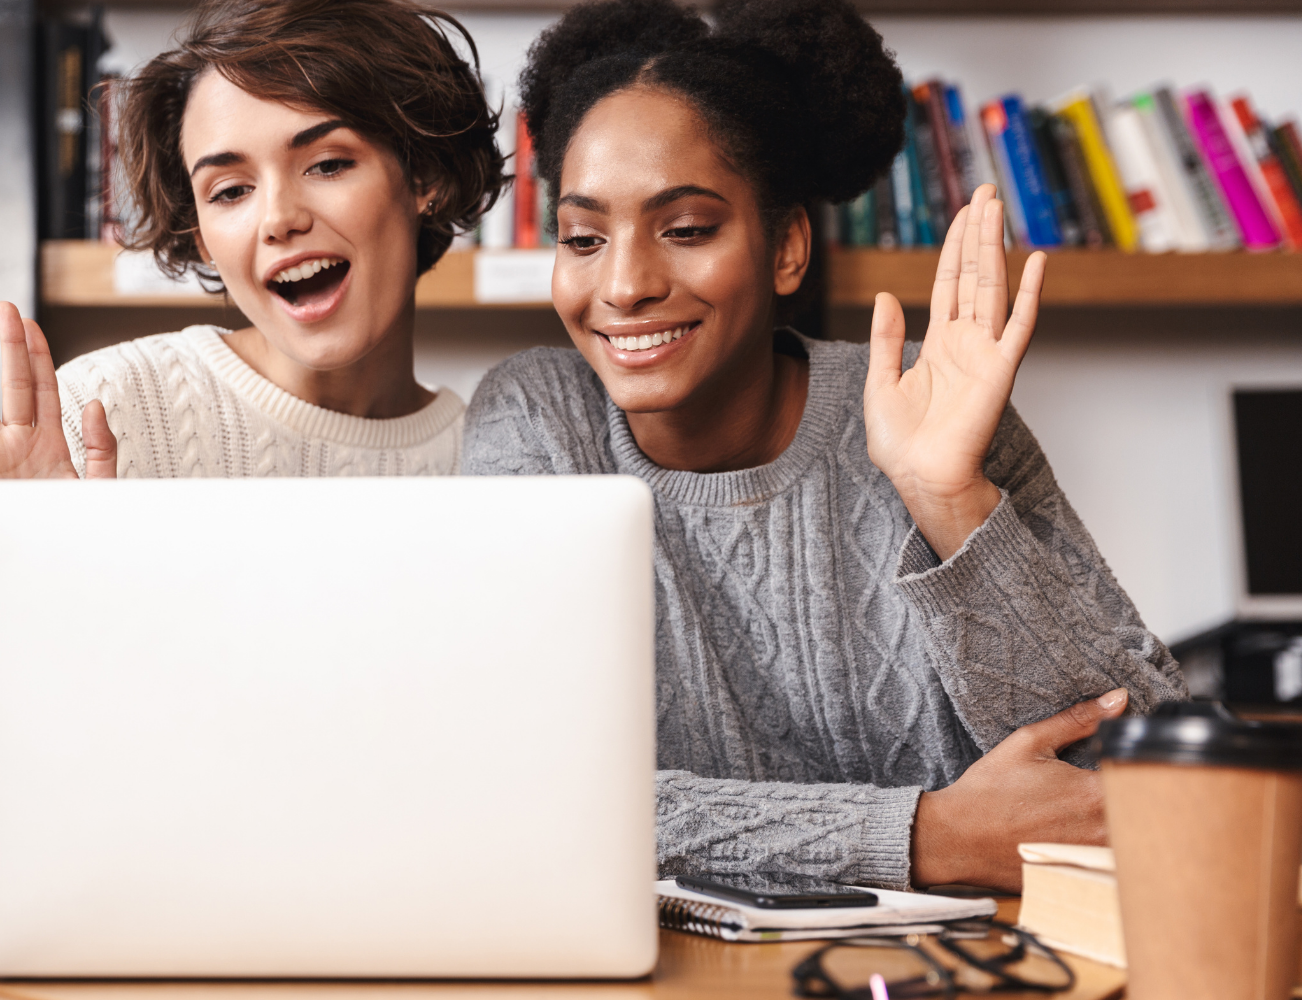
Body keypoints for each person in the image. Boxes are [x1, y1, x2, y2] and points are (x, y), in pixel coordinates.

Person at [461, 0, 1186, 892]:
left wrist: (948, 500)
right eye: (582, 238)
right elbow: (525, 796)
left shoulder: (928, 401)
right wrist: (932, 835)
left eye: (686, 230)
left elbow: (1154, 781)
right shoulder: (539, 419)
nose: (623, 284)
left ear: (789, 247)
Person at [0, 0, 506, 895]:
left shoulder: (500, 460)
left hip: (310, 901)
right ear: (200, 231)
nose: (278, 219)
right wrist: (40, 589)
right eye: (229, 189)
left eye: (328, 164)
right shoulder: (106, 414)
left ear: (423, 175)